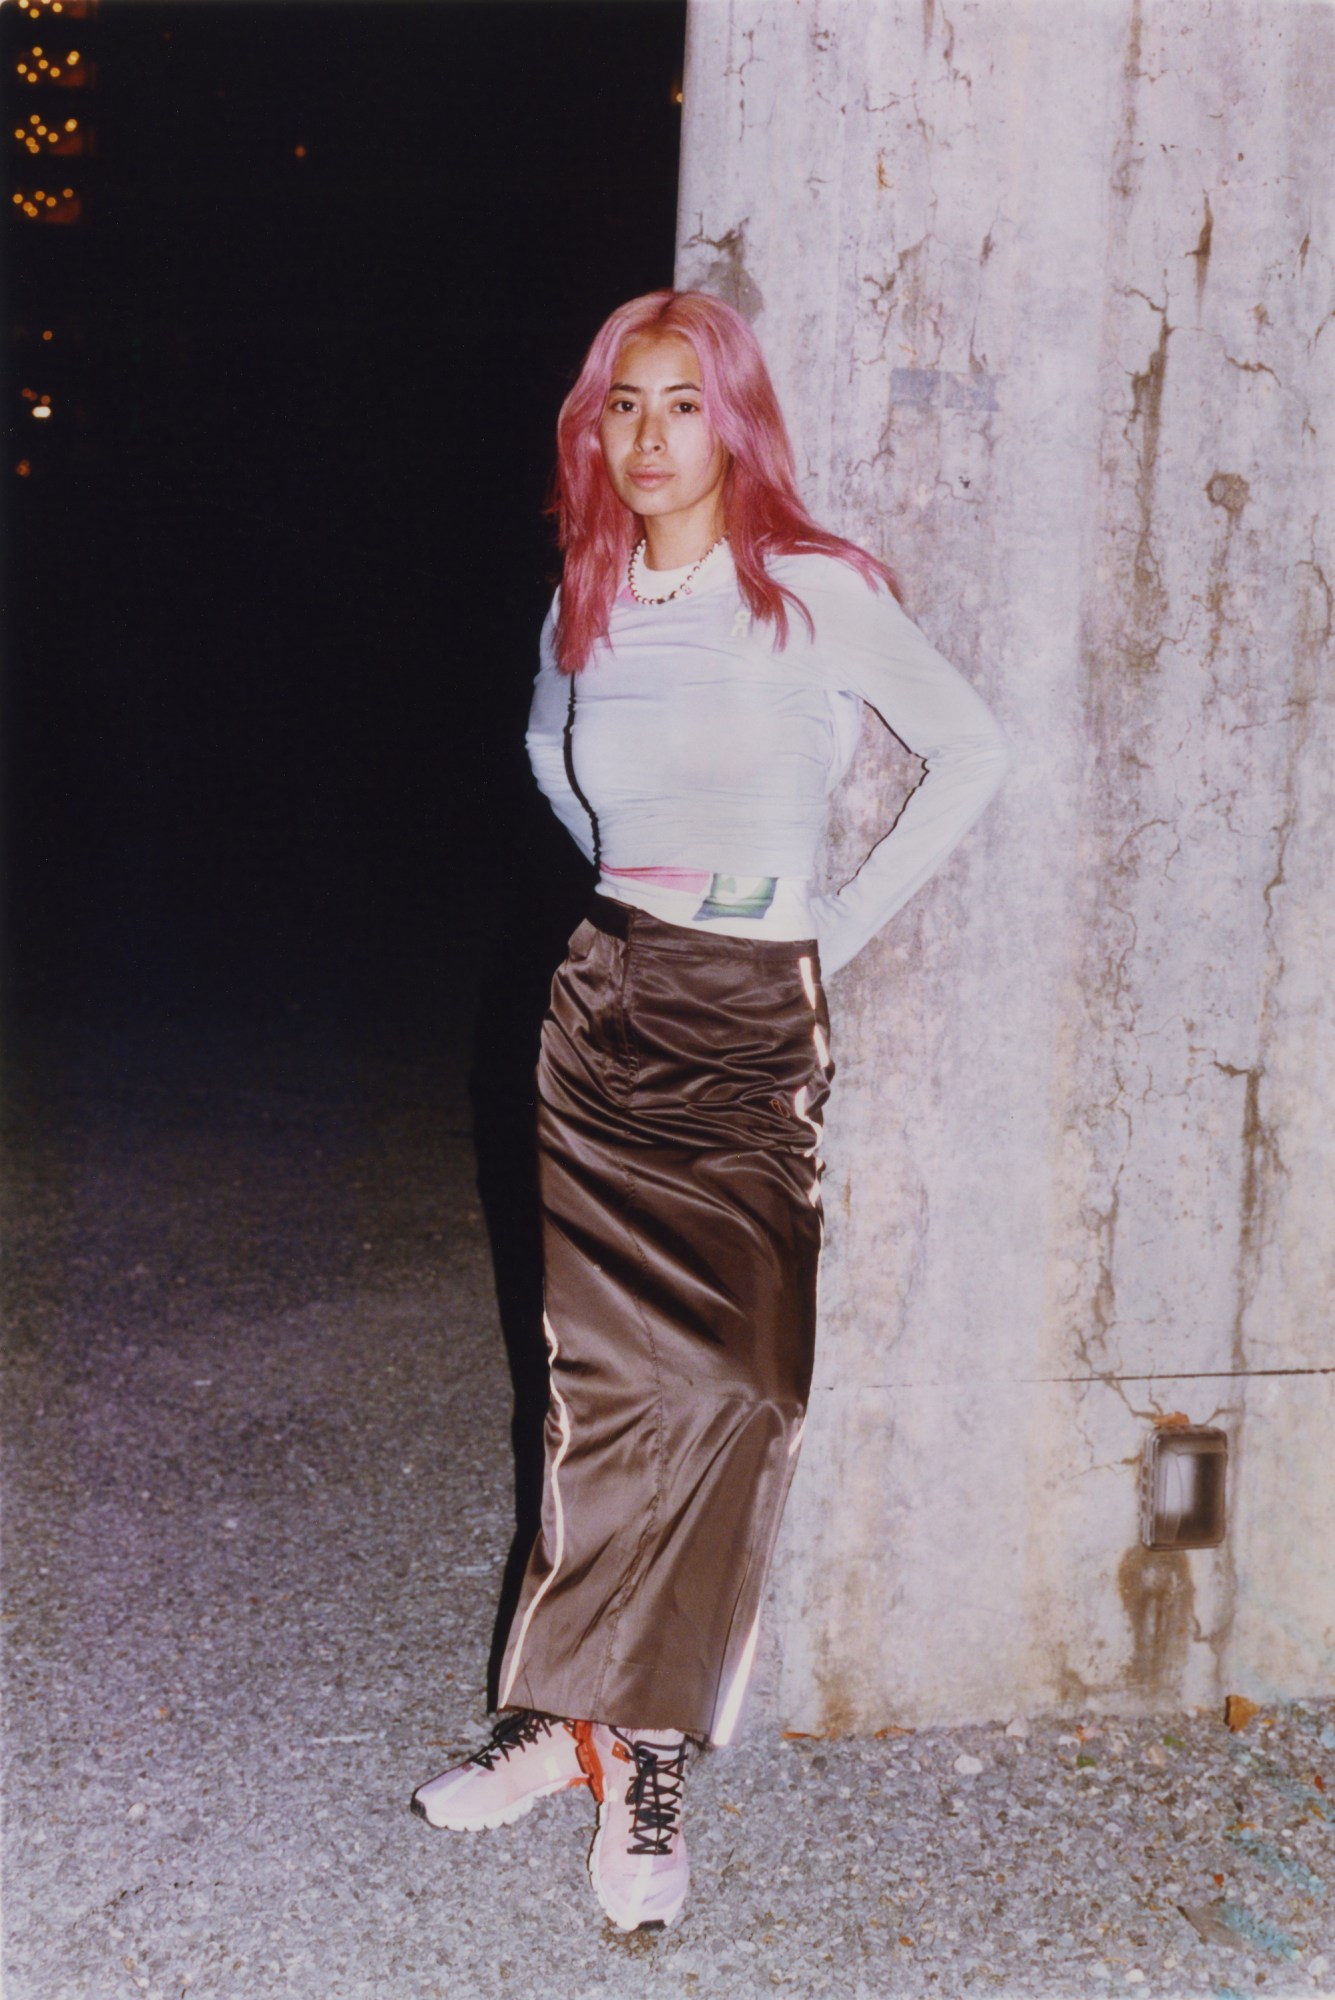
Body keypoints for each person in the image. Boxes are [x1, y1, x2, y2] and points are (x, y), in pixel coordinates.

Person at [411, 290, 1010, 1932]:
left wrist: (828, 927)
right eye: (624, 407)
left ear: (734, 422)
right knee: (596, 1390)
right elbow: (550, 750)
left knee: (743, 1389)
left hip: (752, 1025)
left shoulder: (813, 594)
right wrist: (626, 876)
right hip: (607, 1011)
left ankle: (651, 1744)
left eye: (683, 404)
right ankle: (569, 1729)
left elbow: (969, 751)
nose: (651, 436)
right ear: (593, 432)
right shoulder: (587, 601)